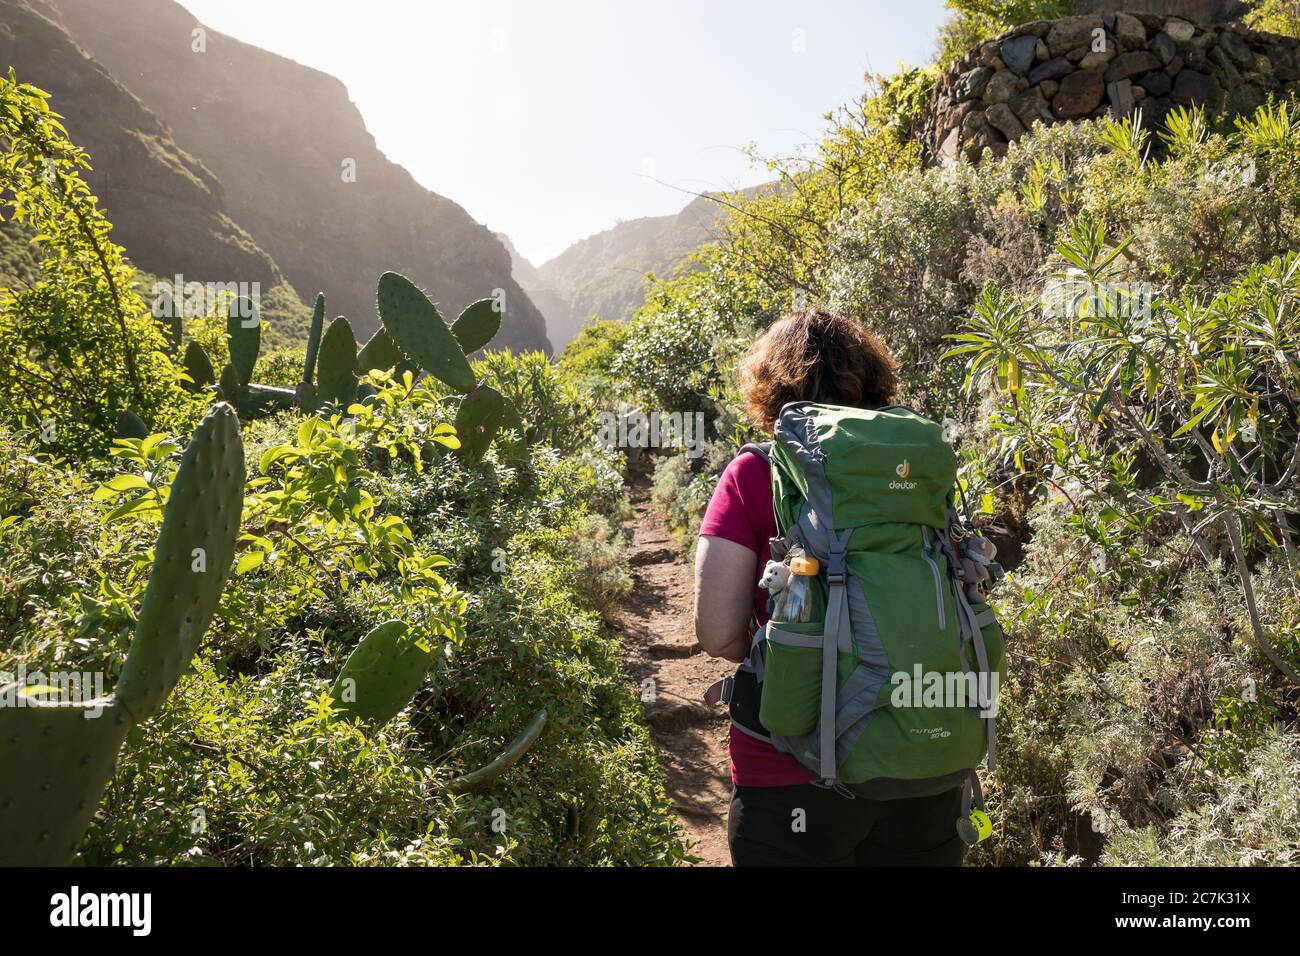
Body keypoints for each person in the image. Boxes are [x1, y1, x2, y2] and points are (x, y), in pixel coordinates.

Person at [694, 308, 967, 867]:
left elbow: (718, 632)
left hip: (790, 772)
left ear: (769, 389)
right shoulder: (915, 474)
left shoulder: (755, 474)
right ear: (872, 379)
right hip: (922, 756)